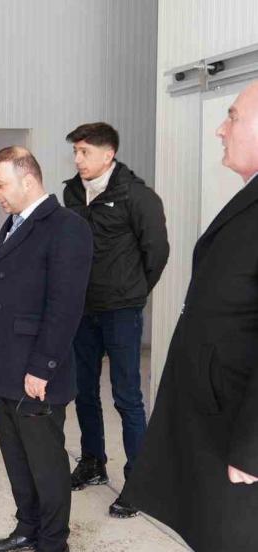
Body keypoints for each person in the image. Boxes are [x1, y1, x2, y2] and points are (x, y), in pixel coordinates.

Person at [121, 81, 258, 552]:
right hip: (216, 410)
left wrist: (252, 447)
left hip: (236, 425)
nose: (221, 129)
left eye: (233, 117)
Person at [0, 146, 92, 552]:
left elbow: (65, 306)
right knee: (16, 457)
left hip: (35, 369)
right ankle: (27, 528)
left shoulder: (67, 227)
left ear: (29, 180)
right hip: (3, 364)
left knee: (46, 462)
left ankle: (53, 542)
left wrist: (42, 367)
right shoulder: (13, 223)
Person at [62, 122, 169, 517]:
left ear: (109, 154)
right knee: (84, 391)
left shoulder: (137, 196)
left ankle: (138, 484)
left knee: (126, 396)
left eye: (85, 152)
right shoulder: (72, 192)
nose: (78, 159)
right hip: (82, 309)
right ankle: (93, 462)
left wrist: (133, 291)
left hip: (121, 310)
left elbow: (156, 252)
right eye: (76, 152)